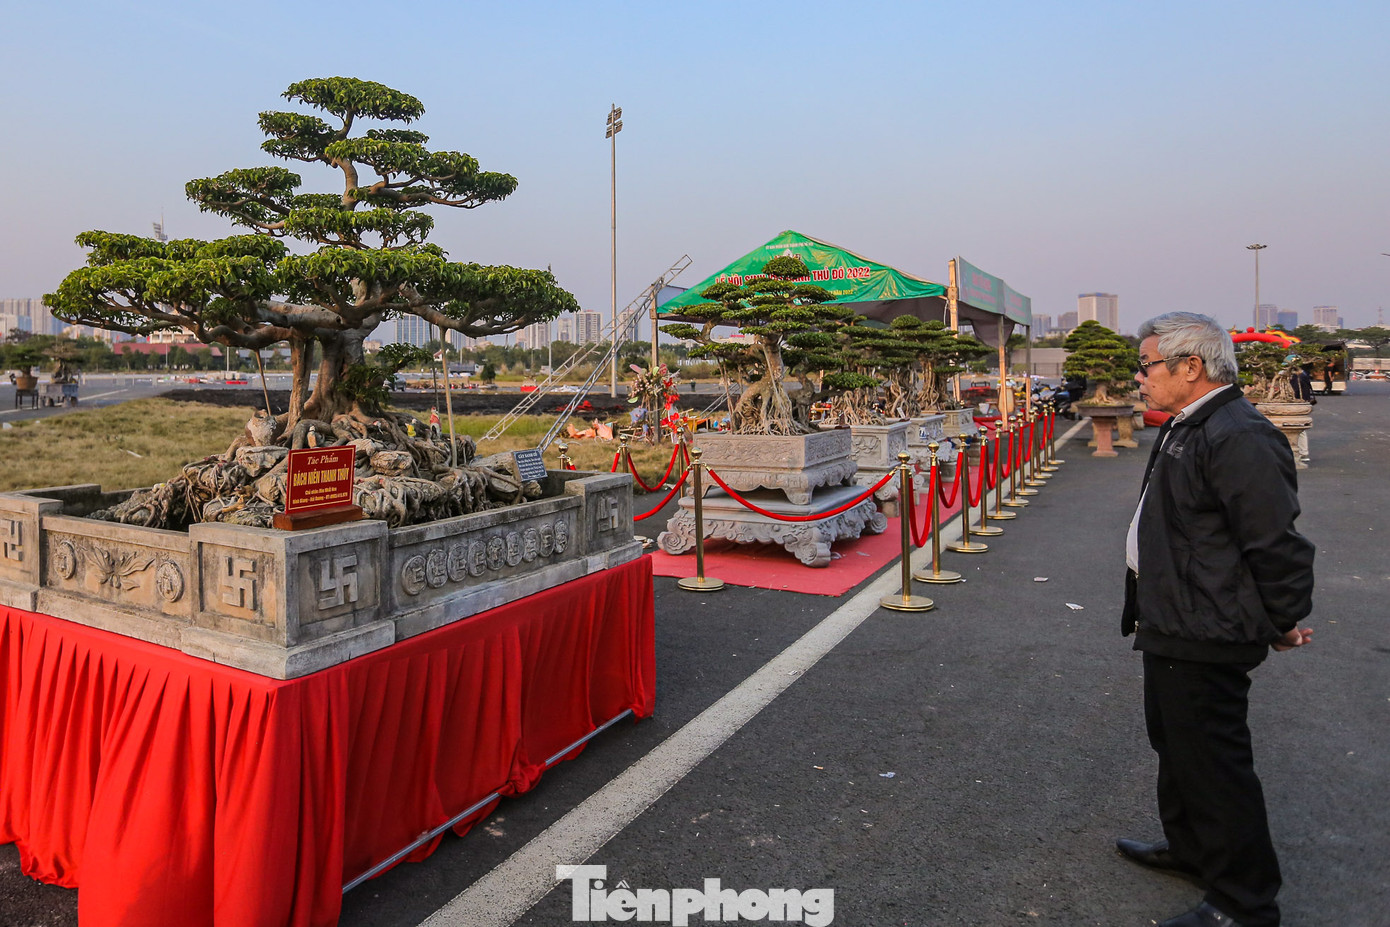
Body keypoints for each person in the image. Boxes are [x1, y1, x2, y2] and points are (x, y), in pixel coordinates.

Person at [1119, 312, 1314, 927]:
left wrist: (1279, 619)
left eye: (1148, 365)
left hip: (1206, 625)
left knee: (1213, 762)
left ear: (1190, 367)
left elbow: (1273, 541)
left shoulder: (1238, 434)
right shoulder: (1191, 422)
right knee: (1174, 744)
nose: (1140, 377)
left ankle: (1243, 902)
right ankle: (1192, 848)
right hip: (1174, 615)